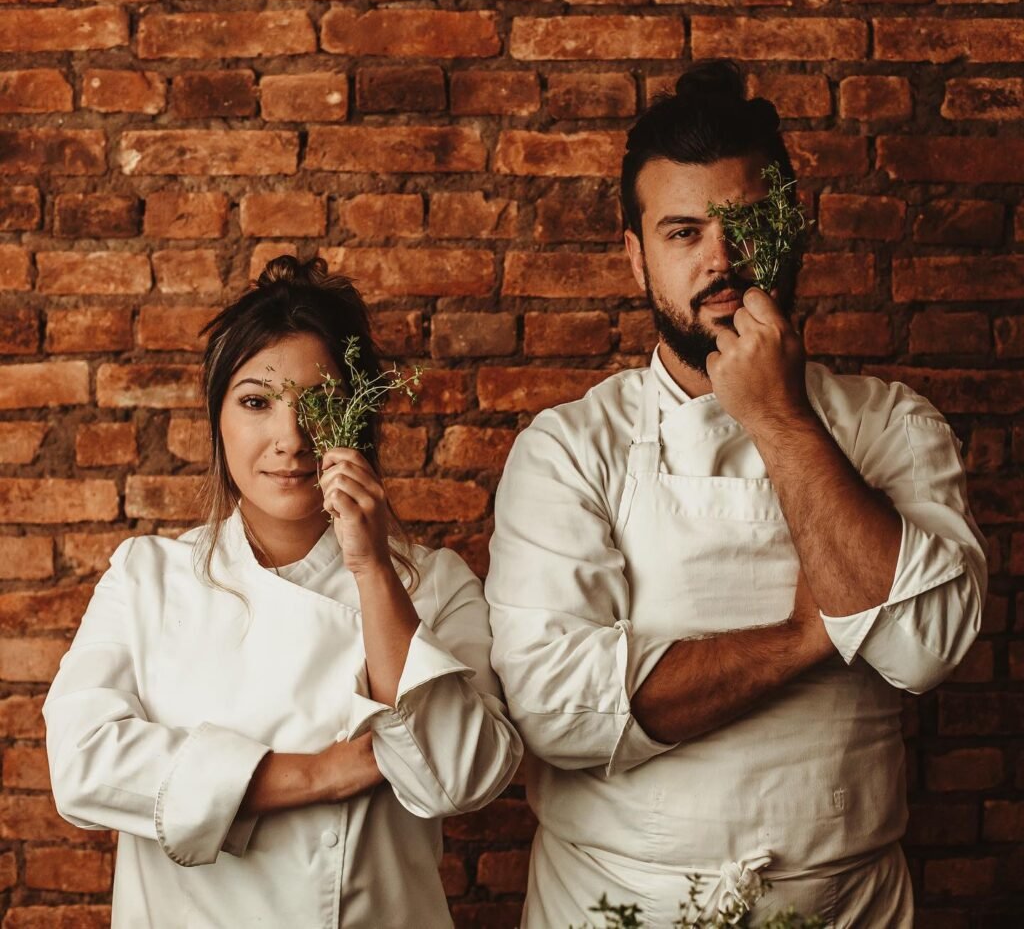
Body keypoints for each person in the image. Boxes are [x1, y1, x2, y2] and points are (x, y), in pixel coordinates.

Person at [486, 60, 986, 927]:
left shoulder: (891, 426)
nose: (721, 259)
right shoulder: (569, 451)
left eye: (748, 223)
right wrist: (810, 633)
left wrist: (783, 418)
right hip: (613, 906)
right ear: (635, 256)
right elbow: (559, 712)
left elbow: (927, 646)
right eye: (683, 233)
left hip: (846, 906)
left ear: (791, 231)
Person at [44, 255, 523, 928]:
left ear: (358, 420)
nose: (290, 438)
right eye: (256, 402)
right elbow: (82, 767)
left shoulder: (434, 584)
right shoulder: (146, 578)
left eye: (320, 403)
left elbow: (462, 776)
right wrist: (321, 773)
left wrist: (372, 571)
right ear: (218, 417)